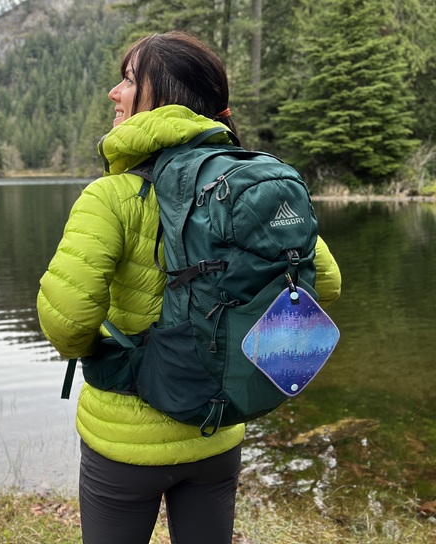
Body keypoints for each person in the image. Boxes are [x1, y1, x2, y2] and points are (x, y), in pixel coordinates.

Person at [36, 31, 342, 544]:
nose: (114, 92)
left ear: (167, 94)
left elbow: (66, 321)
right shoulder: (245, 184)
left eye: (130, 80)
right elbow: (324, 285)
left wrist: (110, 356)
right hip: (216, 433)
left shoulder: (111, 195)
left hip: (125, 441)